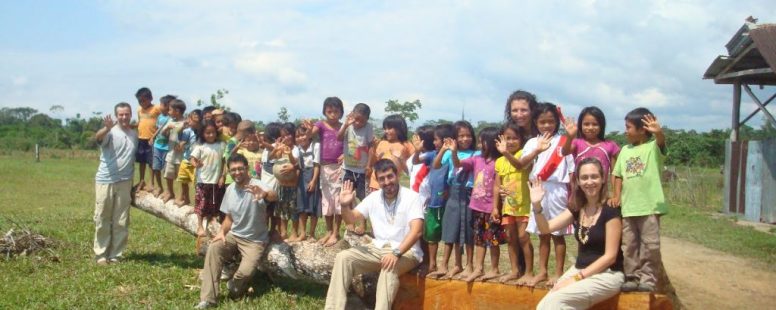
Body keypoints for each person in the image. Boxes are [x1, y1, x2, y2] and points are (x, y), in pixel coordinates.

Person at [324, 159, 424, 310]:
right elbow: (351, 218)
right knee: (343, 258)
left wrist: (396, 253)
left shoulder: (412, 197)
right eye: (382, 179)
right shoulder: (374, 198)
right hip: (378, 248)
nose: (387, 182)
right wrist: (344, 205)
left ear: (397, 176)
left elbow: (416, 231)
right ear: (377, 181)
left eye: (390, 176)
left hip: (406, 251)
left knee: (389, 267)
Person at [531, 157, 625, 309]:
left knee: (556, 302)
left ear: (602, 179)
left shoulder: (610, 210)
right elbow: (546, 228)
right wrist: (536, 205)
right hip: (580, 268)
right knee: (544, 306)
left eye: (594, 176)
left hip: (608, 274)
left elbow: (610, 257)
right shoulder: (577, 208)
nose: (589, 182)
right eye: (584, 178)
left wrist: (576, 278)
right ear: (579, 182)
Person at [195, 154, 278, 309]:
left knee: (245, 274)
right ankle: (208, 299)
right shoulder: (230, 189)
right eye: (233, 170)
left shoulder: (258, 185)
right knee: (214, 248)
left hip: (255, 241)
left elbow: (274, 196)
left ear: (247, 169)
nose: (237, 172)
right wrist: (221, 232)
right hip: (234, 235)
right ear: (229, 172)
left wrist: (265, 194)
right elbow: (229, 218)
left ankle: (234, 285)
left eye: (240, 168)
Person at [609, 107, 668, 292]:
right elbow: (617, 175)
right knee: (629, 245)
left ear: (642, 130)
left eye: (628, 127)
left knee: (650, 246)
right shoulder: (625, 150)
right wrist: (617, 195)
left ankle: (648, 280)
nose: (626, 131)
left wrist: (658, 132)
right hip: (628, 208)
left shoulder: (652, 148)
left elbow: (660, 142)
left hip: (649, 207)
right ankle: (632, 277)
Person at [518, 102, 575, 286]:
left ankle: (558, 272)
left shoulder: (564, 141)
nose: (547, 125)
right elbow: (522, 164)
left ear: (557, 122)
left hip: (558, 189)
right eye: (542, 122)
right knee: (543, 233)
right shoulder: (532, 142)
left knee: (557, 233)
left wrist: (573, 194)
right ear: (536, 122)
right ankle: (542, 271)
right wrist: (537, 150)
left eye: (551, 121)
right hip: (538, 189)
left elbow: (572, 168)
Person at [449, 127, 507, 283]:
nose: (480, 144)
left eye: (483, 141)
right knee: (479, 239)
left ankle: (494, 269)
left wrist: (496, 207)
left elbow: (497, 186)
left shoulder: (499, 162)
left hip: (491, 208)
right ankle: (478, 268)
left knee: (493, 240)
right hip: (476, 207)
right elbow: (457, 163)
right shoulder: (476, 159)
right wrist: (454, 152)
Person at [93, 102, 138, 265]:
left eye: (127, 114)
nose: (124, 117)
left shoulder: (134, 134)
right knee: (102, 217)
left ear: (131, 114)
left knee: (121, 219)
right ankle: (101, 254)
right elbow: (98, 138)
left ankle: (116, 254)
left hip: (125, 181)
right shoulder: (110, 132)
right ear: (116, 115)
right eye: (121, 114)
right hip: (106, 179)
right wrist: (105, 128)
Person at [433, 120, 477, 280]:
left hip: (469, 193)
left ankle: (470, 264)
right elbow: (436, 165)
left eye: (468, 135)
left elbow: (460, 165)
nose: (465, 139)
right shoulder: (448, 152)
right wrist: (444, 149)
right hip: (453, 192)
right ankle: (450, 264)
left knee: (468, 229)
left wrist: (454, 152)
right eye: (461, 136)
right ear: (454, 137)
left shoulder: (476, 154)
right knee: (452, 227)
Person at [493, 122, 533, 284]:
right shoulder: (499, 161)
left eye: (514, 138)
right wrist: (495, 206)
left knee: (524, 238)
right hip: (508, 207)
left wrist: (506, 153)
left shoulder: (524, 154)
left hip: (524, 205)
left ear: (522, 139)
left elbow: (520, 165)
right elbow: (497, 185)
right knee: (511, 238)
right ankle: (515, 270)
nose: (510, 142)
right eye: (506, 138)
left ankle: (529, 272)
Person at [302, 97, 345, 247]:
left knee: (339, 200)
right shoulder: (320, 125)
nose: (333, 114)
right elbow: (308, 136)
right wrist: (308, 129)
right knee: (327, 200)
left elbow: (351, 144)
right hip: (325, 168)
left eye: (336, 111)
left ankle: (336, 232)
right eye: (329, 111)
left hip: (341, 167)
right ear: (324, 112)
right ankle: (328, 230)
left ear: (341, 112)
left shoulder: (345, 126)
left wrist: (345, 154)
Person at [561, 106, 620, 209]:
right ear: (580, 125)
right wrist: (570, 137)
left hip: (602, 194)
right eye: (586, 124)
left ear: (601, 125)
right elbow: (564, 152)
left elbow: (615, 172)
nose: (590, 127)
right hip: (580, 193)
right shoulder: (577, 143)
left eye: (595, 124)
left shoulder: (610, 145)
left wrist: (615, 195)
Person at [416, 123, 453, 278]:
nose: (435, 142)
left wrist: (446, 150)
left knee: (449, 234)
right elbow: (415, 161)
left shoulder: (451, 154)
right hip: (433, 201)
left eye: (437, 140)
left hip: (448, 201)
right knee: (431, 234)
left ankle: (445, 264)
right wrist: (417, 149)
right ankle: (432, 263)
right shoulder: (432, 154)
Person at [337, 103, 375, 234]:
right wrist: (346, 124)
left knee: (362, 198)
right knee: (347, 196)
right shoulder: (348, 125)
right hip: (348, 168)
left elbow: (371, 147)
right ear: (352, 115)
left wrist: (369, 165)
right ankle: (350, 222)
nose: (358, 123)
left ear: (367, 120)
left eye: (362, 121)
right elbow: (339, 138)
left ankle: (363, 224)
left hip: (362, 169)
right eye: (356, 119)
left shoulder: (369, 128)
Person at [190, 120, 226, 237]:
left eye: (213, 132)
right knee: (202, 203)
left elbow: (224, 161)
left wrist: (222, 176)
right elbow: (192, 159)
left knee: (215, 203)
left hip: (216, 181)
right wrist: (196, 164)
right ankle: (200, 226)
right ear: (202, 134)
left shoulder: (221, 145)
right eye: (207, 133)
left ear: (216, 133)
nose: (211, 135)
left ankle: (213, 220)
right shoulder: (200, 147)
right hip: (203, 181)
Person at [293, 125, 321, 242]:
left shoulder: (316, 146)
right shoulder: (296, 149)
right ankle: (303, 233)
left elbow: (317, 165)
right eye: (298, 136)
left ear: (309, 135)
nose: (301, 138)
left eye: (303, 134)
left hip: (313, 176)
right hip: (301, 178)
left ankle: (312, 234)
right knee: (302, 207)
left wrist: (314, 181)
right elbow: (295, 164)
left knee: (313, 206)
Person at [160, 99, 187, 202]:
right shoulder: (170, 121)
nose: (168, 112)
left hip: (181, 156)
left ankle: (182, 196)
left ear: (177, 111)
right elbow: (163, 134)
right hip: (171, 153)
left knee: (182, 178)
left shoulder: (185, 123)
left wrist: (175, 129)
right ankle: (170, 192)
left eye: (170, 110)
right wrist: (167, 129)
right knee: (168, 175)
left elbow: (182, 135)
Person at [148, 95, 175, 197]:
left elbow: (171, 133)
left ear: (168, 106)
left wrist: (167, 133)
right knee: (155, 167)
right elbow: (158, 129)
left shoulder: (171, 119)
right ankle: (160, 187)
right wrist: (153, 137)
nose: (160, 106)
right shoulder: (160, 117)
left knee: (166, 171)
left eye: (161, 104)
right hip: (157, 146)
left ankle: (168, 190)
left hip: (167, 148)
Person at [174, 109, 201, 207]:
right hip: (186, 159)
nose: (190, 122)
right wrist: (182, 127)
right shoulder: (187, 131)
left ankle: (198, 204)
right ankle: (186, 198)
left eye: (193, 120)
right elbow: (180, 138)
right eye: (189, 119)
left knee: (196, 184)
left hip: (196, 162)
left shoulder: (201, 132)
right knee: (183, 180)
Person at [134, 87, 158, 192]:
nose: (142, 103)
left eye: (144, 100)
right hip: (141, 138)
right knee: (141, 161)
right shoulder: (139, 110)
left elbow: (162, 122)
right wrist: (130, 126)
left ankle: (151, 183)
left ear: (151, 98)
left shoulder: (156, 109)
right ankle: (142, 180)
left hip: (151, 139)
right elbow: (139, 123)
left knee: (151, 162)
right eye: (140, 101)